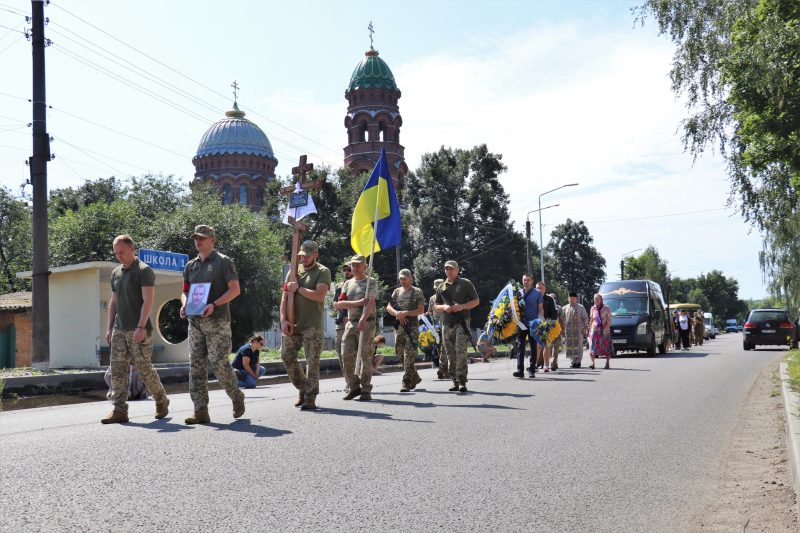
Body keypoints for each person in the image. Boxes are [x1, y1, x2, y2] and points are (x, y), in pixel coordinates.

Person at [180, 225, 245, 425]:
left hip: (217, 321)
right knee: (196, 366)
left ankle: (236, 396)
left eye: (202, 238)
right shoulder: (191, 266)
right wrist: (184, 305)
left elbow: (235, 290)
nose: (198, 241)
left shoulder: (223, 262)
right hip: (195, 322)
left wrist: (214, 304)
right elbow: (184, 291)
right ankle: (200, 410)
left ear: (212, 240)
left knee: (219, 364)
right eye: (196, 238)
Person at [101, 235, 169, 424]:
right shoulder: (116, 273)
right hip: (119, 330)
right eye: (116, 253)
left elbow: (148, 300)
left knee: (144, 369)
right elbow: (113, 302)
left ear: (132, 248)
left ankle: (161, 400)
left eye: (121, 252)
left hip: (139, 329)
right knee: (118, 370)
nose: (119, 256)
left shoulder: (144, 271)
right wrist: (109, 328)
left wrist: (140, 327)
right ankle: (119, 409)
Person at [280, 240, 331, 410]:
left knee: (312, 362)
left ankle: (310, 397)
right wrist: (283, 320)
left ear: (316, 255)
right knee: (287, 356)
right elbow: (284, 297)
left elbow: (319, 295)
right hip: (292, 323)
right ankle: (303, 387)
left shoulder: (323, 272)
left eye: (308, 256)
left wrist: (299, 289)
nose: (304, 258)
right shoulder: (293, 272)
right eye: (302, 255)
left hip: (312, 325)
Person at [334, 254, 379, 401]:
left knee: (366, 356)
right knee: (346, 355)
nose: (355, 267)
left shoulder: (370, 282)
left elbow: (371, 302)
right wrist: (358, 303)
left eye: (358, 265)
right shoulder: (347, 284)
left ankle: (366, 389)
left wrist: (363, 319)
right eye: (353, 265)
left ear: (365, 266)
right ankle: (354, 386)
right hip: (350, 323)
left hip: (367, 322)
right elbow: (340, 304)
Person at [434, 260, 480, 393]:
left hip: (461, 322)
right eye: (446, 269)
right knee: (450, 354)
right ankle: (454, 380)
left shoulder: (465, 283)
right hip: (447, 324)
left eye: (451, 269)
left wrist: (462, 306)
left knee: (460, 352)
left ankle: (461, 381)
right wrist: (444, 307)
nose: (449, 271)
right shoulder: (441, 287)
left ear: (457, 270)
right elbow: (436, 306)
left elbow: (476, 301)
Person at [387, 268, 425, 392]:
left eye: (404, 278)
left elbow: (421, 310)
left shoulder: (417, 291)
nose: (402, 281)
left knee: (409, 354)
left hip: (412, 328)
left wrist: (406, 313)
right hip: (399, 328)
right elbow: (389, 307)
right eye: (400, 279)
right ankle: (416, 377)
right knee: (399, 353)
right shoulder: (396, 292)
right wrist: (397, 313)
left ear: (410, 278)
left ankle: (406, 381)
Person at [513, 273, 543, 379]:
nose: (526, 282)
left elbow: (540, 309)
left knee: (533, 346)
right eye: (524, 280)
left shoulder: (537, 293)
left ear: (532, 281)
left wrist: (540, 321)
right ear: (522, 281)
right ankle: (520, 370)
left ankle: (531, 370)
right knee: (520, 347)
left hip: (533, 323)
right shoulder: (518, 293)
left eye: (528, 280)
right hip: (521, 323)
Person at [560, 292, 589, 368]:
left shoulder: (581, 307)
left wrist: (585, 327)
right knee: (569, 346)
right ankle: (573, 362)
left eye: (573, 298)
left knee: (579, 346)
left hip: (579, 330)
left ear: (576, 299)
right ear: (568, 299)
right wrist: (561, 330)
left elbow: (585, 318)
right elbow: (561, 319)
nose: (571, 299)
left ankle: (578, 361)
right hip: (568, 331)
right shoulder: (564, 308)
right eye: (570, 298)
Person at [333, 264, 353, 371]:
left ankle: (355, 380)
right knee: (339, 352)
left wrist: (348, 316)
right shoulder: (338, 286)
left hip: (352, 322)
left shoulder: (357, 285)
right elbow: (335, 300)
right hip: (340, 325)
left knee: (351, 353)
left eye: (349, 270)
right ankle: (348, 380)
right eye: (344, 270)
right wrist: (335, 304)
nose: (346, 272)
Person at [536, 282, 559, 372]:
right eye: (537, 288)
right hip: (535, 324)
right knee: (537, 346)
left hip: (547, 324)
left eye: (541, 288)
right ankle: (535, 364)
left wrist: (550, 323)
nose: (539, 289)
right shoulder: (533, 297)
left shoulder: (550, 299)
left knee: (546, 345)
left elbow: (554, 313)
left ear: (545, 289)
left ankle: (546, 365)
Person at [429, 279, 449, 380]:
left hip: (436, 326)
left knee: (440, 347)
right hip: (444, 324)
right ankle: (443, 369)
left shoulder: (432, 298)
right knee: (444, 348)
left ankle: (443, 368)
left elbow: (429, 312)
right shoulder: (447, 297)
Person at [588, 293, 613, 369]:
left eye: (597, 299)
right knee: (592, 347)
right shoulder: (593, 308)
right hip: (595, 330)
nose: (596, 300)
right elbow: (591, 320)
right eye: (595, 299)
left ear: (601, 300)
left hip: (605, 330)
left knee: (606, 347)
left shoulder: (606, 308)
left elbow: (609, 320)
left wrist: (607, 328)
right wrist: (589, 330)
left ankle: (607, 363)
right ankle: (593, 363)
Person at [548, 292, 562, 370]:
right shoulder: (545, 306)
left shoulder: (559, 308)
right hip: (547, 330)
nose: (553, 299)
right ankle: (550, 362)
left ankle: (553, 363)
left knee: (556, 347)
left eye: (554, 298)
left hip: (556, 329)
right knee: (548, 347)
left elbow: (562, 320)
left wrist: (562, 330)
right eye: (551, 297)